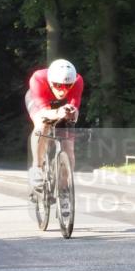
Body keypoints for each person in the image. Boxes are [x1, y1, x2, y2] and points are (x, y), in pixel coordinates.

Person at [25, 59, 84, 191]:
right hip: (39, 101)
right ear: (51, 81)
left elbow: (75, 109)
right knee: (42, 125)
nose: (63, 90)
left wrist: (72, 113)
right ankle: (37, 168)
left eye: (68, 85)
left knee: (69, 148)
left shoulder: (78, 80)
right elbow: (44, 112)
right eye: (58, 85)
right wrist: (58, 112)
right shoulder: (38, 78)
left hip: (61, 105)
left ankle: (64, 189)